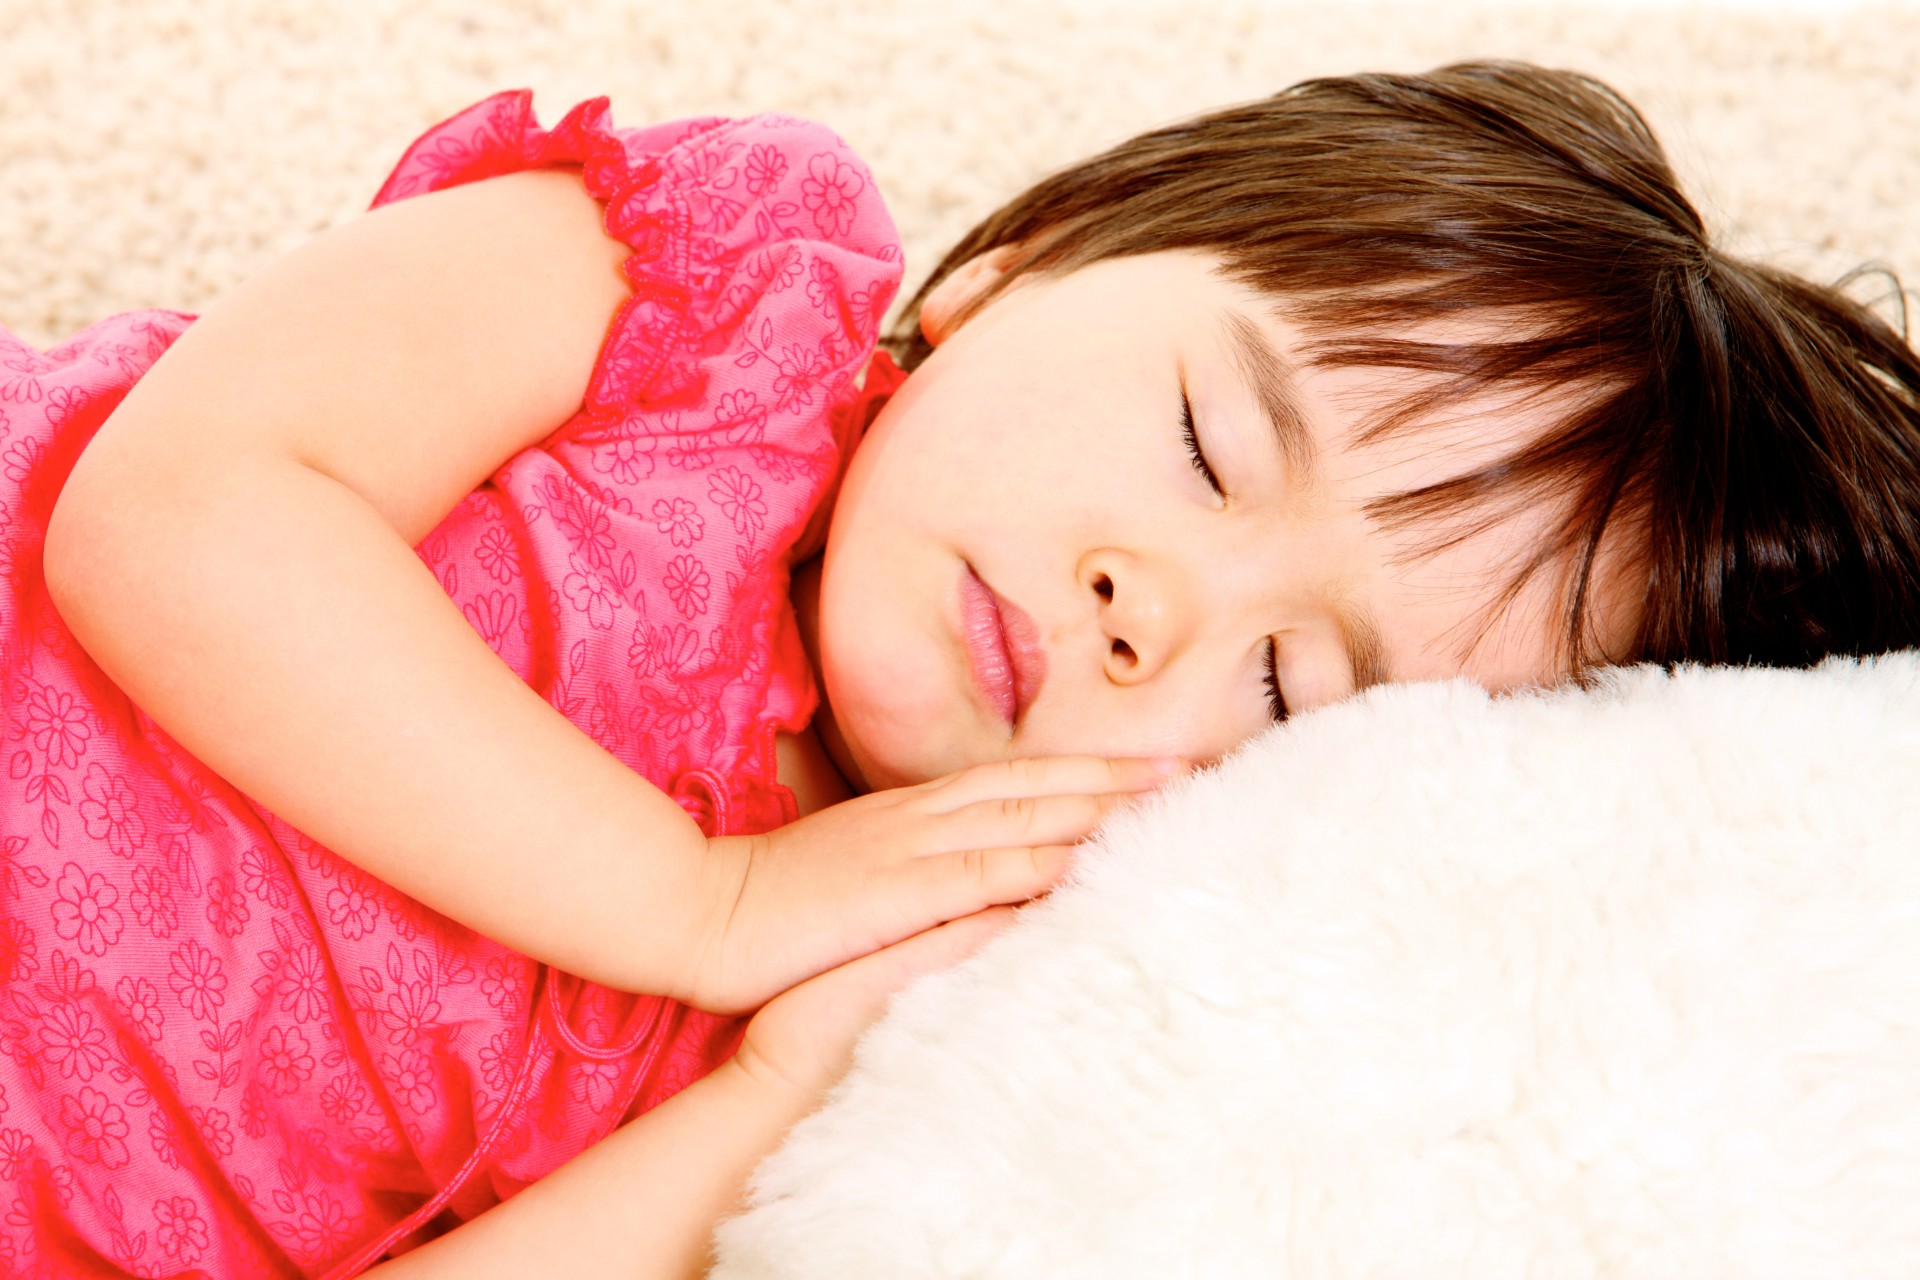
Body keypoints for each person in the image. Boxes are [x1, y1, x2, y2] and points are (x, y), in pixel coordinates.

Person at [3, 59, 1916, 1278]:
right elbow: (170, 511)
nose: (1141, 601)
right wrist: (694, 897)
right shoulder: (712, 302)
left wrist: (765, 1090)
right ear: (1043, 257)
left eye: (1282, 692)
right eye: (1203, 443)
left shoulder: (931, 1007)